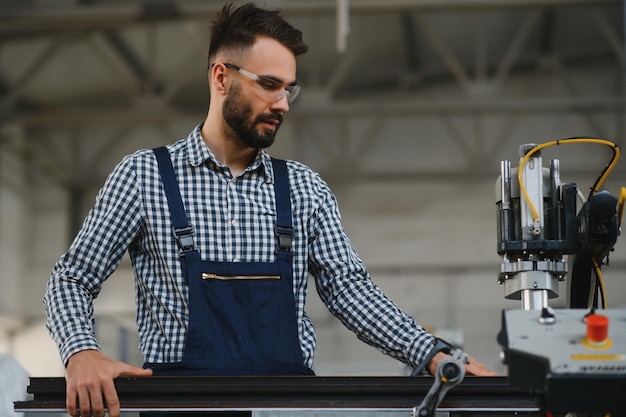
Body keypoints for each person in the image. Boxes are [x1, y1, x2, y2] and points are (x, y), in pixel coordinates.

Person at [44, 3, 496, 417]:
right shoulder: (144, 176)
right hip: (180, 407)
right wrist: (81, 352)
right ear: (221, 77)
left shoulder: (303, 187)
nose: (282, 103)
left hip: (287, 406)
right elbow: (71, 278)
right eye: (269, 85)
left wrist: (434, 354)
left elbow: (350, 291)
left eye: (289, 90)